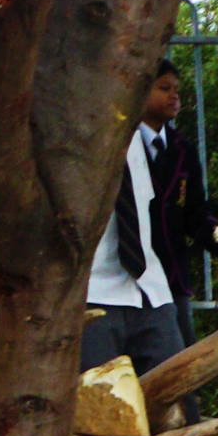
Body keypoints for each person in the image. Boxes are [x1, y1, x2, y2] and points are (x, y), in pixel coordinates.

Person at [81, 68, 188, 378]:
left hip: (149, 289)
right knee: (103, 412)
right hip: (91, 294)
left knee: (176, 402)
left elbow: (147, 208)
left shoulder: (135, 137)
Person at [140, 65, 213, 317]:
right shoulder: (120, 145)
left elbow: (195, 210)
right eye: (164, 88)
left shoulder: (183, 149)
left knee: (181, 348)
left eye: (176, 90)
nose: (174, 96)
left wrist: (216, 231)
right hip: (132, 275)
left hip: (172, 276)